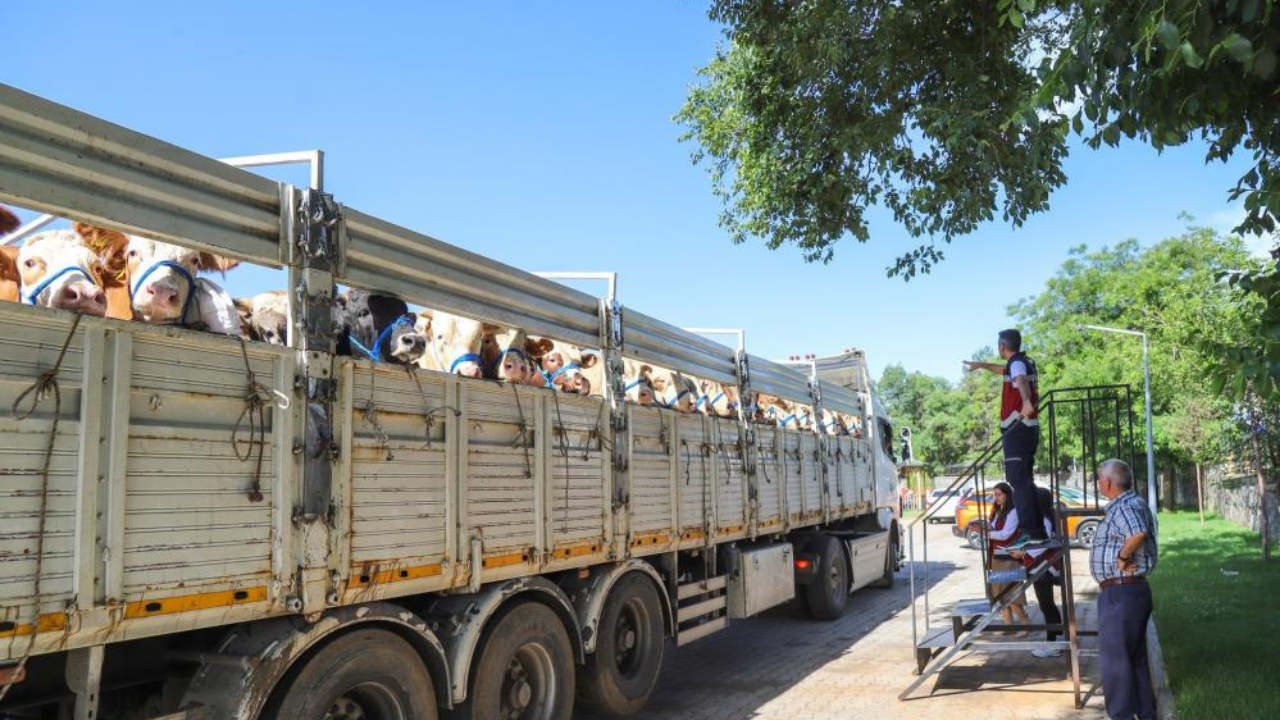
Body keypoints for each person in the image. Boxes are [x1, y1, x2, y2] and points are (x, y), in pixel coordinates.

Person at [1090, 459, 1158, 720]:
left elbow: (1137, 533)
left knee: (1115, 664)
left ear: (1107, 483)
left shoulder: (1123, 506)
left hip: (1121, 594)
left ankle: (1120, 716)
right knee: (1134, 659)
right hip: (1129, 593)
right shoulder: (1133, 503)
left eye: (1099, 478)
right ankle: (1146, 714)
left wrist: (1121, 558)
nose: (1098, 483)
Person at [963, 329, 1045, 539]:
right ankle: (1037, 529)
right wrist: (981, 365)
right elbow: (1006, 371)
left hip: (1017, 428)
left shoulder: (1017, 365)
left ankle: (1030, 531)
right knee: (1025, 479)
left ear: (1002, 346)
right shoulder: (1023, 361)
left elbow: (1021, 381)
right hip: (1027, 428)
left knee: (1017, 479)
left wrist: (1026, 401)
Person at [1010, 485, 1064, 658]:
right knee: (1047, 604)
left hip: (1043, 568)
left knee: (1046, 605)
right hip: (1042, 567)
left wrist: (1022, 552)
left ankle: (1053, 643)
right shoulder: (1044, 518)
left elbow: (1040, 546)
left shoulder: (1044, 521)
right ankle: (1057, 637)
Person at [985, 482, 1030, 628]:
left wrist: (988, 534)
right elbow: (995, 529)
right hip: (997, 554)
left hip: (1009, 556)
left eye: (999, 495)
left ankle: (1024, 622)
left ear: (1007, 495)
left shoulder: (1013, 512)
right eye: (994, 495)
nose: (996, 498)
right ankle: (1008, 624)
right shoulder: (997, 511)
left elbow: (1006, 534)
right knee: (999, 592)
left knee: (1011, 592)